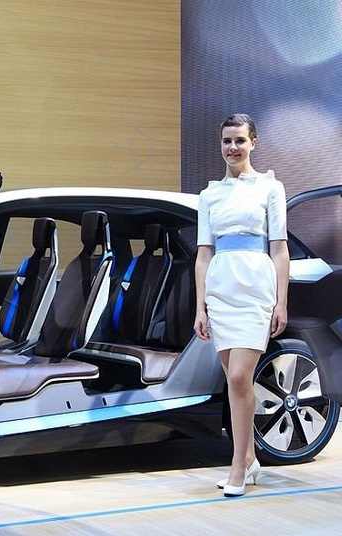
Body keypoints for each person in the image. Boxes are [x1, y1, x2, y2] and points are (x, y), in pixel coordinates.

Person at [193, 113, 289, 497]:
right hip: (220, 290)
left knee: (238, 377)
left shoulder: (271, 188)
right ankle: (248, 459)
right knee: (235, 383)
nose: (232, 147)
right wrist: (200, 307)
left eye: (239, 140)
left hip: (256, 289)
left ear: (253, 143)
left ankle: (237, 465)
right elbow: (203, 254)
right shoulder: (209, 195)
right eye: (227, 141)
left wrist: (282, 302)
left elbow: (279, 249)